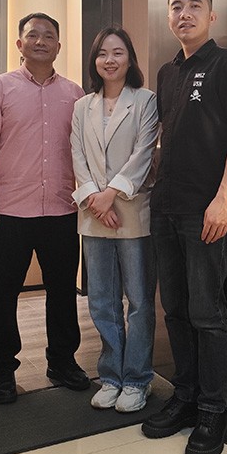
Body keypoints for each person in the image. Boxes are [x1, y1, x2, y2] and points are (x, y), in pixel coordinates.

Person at [141, 0, 227, 454]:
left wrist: (224, 198)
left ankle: (213, 410)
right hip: (165, 207)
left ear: (211, 16)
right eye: (176, 6)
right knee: (176, 311)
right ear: (169, 17)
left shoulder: (226, 64)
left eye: (194, 5)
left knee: (208, 314)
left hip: (206, 210)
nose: (184, 13)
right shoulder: (167, 73)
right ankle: (185, 397)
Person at [0, 12, 87, 405]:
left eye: (48, 36)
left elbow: (83, 150)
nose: (40, 41)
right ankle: (2, 368)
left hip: (61, 209)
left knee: (63, 291)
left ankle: (62, 361)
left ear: (58, 46)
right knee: (3, 294)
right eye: (33, 35)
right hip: (9, 210)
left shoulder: (74, 93)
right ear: (19, 44)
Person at [70, 27, 158, 413]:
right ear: (94, 60)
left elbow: (144, 152)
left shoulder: (145, 100)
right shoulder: (81, 105)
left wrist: (111, 195)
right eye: (102, 53)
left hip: (131, 211)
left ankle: (137, 379)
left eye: (118, 52)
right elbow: (76, 153)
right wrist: (94, 198)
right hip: (94, 215)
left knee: (138, 301)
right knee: (102, 301)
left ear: (129, 59)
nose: (110, 59)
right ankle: (110, 375)